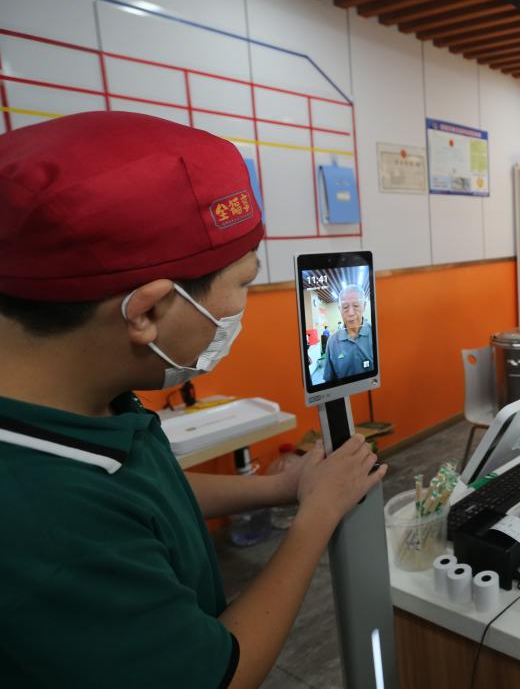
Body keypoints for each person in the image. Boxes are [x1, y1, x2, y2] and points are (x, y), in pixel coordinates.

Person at [0, 112, 387, 687]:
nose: (238, 312)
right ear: (149, 311)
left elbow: (148, 491)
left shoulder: (89, 401)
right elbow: (222, 674)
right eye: (245, 283)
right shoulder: (39, 522)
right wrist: (316, 517)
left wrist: (282, 485)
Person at [321, 285, 374, 382]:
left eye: (356, 306)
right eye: (345, 307)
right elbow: (329, 381)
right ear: (339, 309)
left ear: (364, 305)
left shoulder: (376, 333)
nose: (350, 313)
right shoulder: (332, 342)